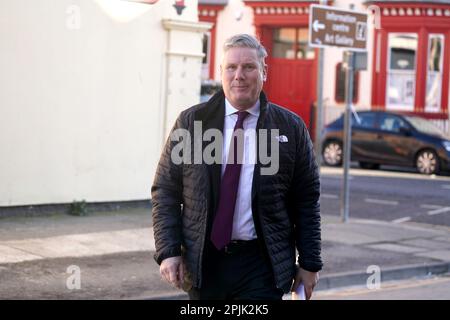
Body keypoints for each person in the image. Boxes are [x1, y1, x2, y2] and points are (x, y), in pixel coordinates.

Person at [151, 34, 322, 300]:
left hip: (262, 266)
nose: (239, 75)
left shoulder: (290, 128)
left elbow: (306, 200)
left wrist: (310, 263)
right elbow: (165, 191)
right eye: (231, 67)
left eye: (248, 67)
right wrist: (169, 250)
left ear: (264, 71)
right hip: (203, 263)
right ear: (221, 72)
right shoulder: (191, 122)